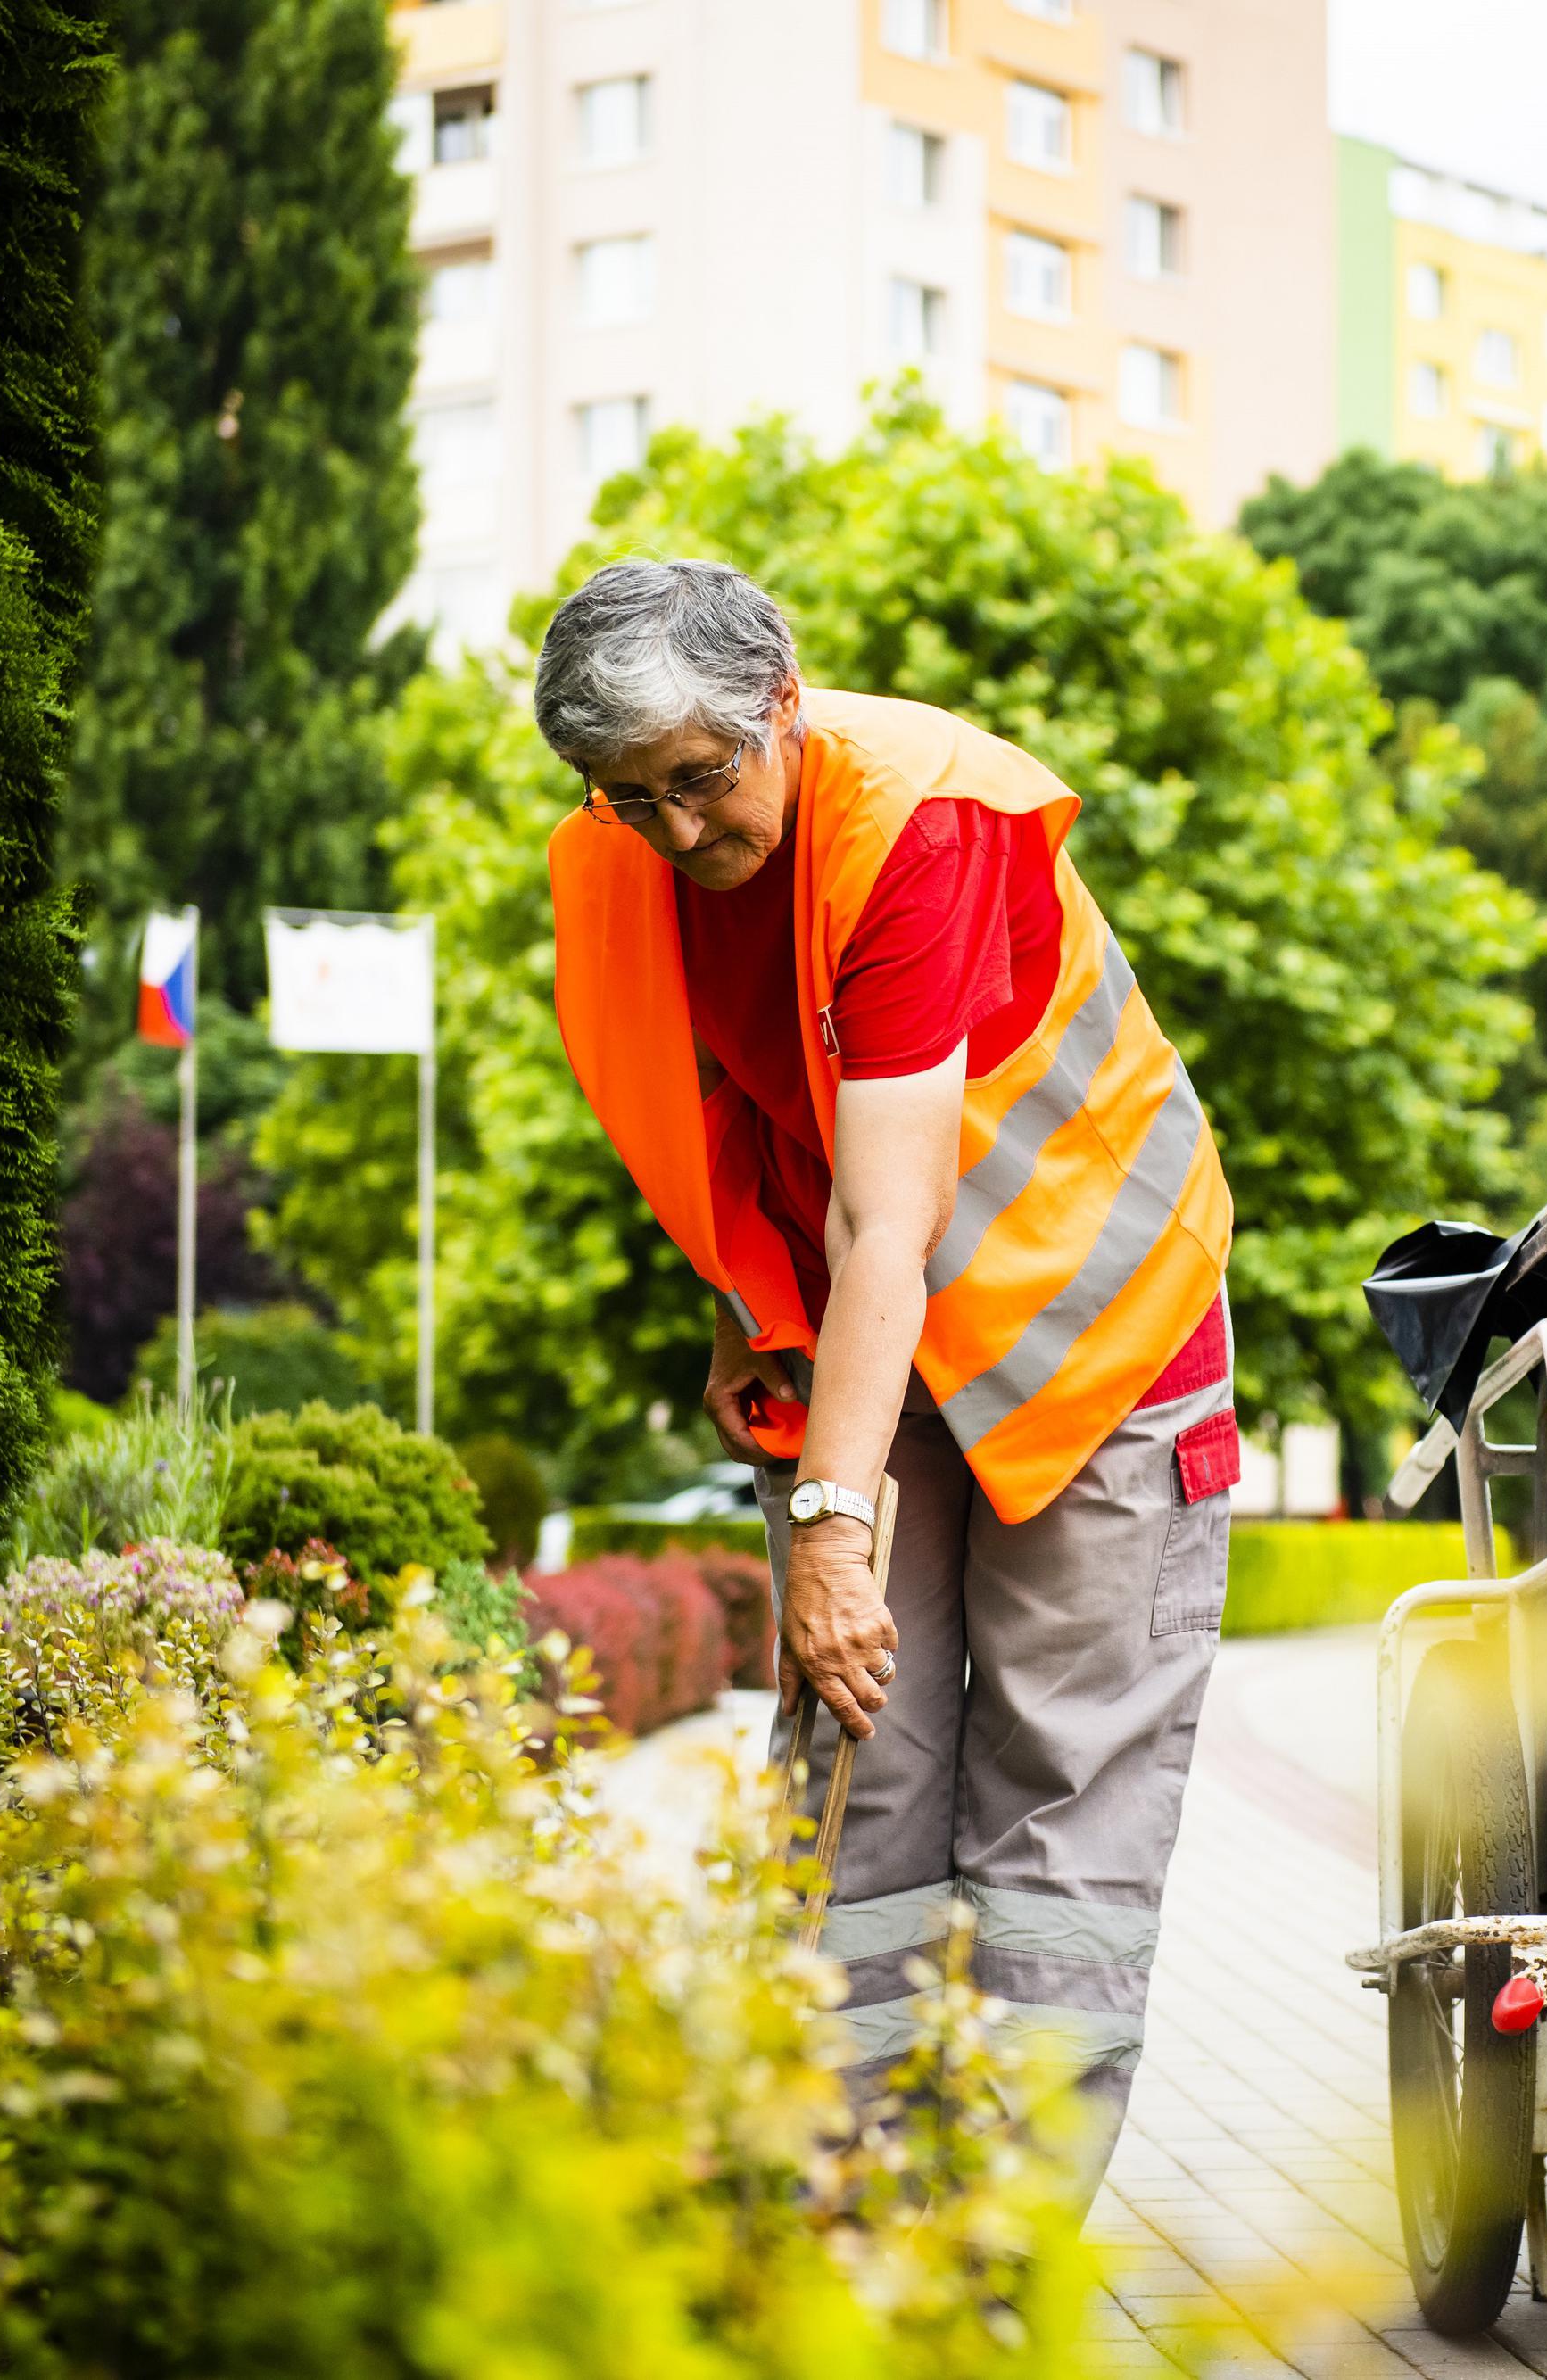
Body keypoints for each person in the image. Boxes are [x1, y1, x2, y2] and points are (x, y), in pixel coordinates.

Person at [534, 558, 1238, 2186]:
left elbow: (889, 1211)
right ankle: (850, 2215)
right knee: (860, 1772)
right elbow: (730, 1113)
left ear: (782, 700)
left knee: (1059, 1813)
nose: (678, 834)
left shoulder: (921, 820)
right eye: (628, 800)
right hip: (868, 1341)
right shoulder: (631, 861)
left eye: (702, 781)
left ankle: (993, 2271)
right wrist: (736, 1305)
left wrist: (832, 1528)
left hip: (1093, 1344)